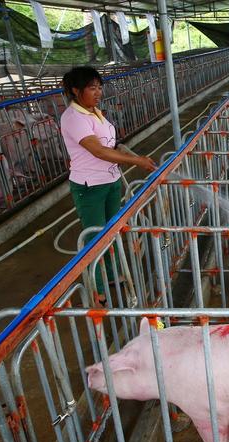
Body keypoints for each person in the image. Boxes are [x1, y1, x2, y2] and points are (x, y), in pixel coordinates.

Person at [60, 66, 156, 305]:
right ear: (75, 90)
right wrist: (136, 161)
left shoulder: (95, 112)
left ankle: (111, 274)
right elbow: (98, 150)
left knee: (111, 233)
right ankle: (97, 287)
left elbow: (108, 145)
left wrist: (120, 152)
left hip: (110, 181)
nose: (98, 92)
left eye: (99, 87)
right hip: (90, 186)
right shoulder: (73, 118)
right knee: (96, 237)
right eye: (92, 88)